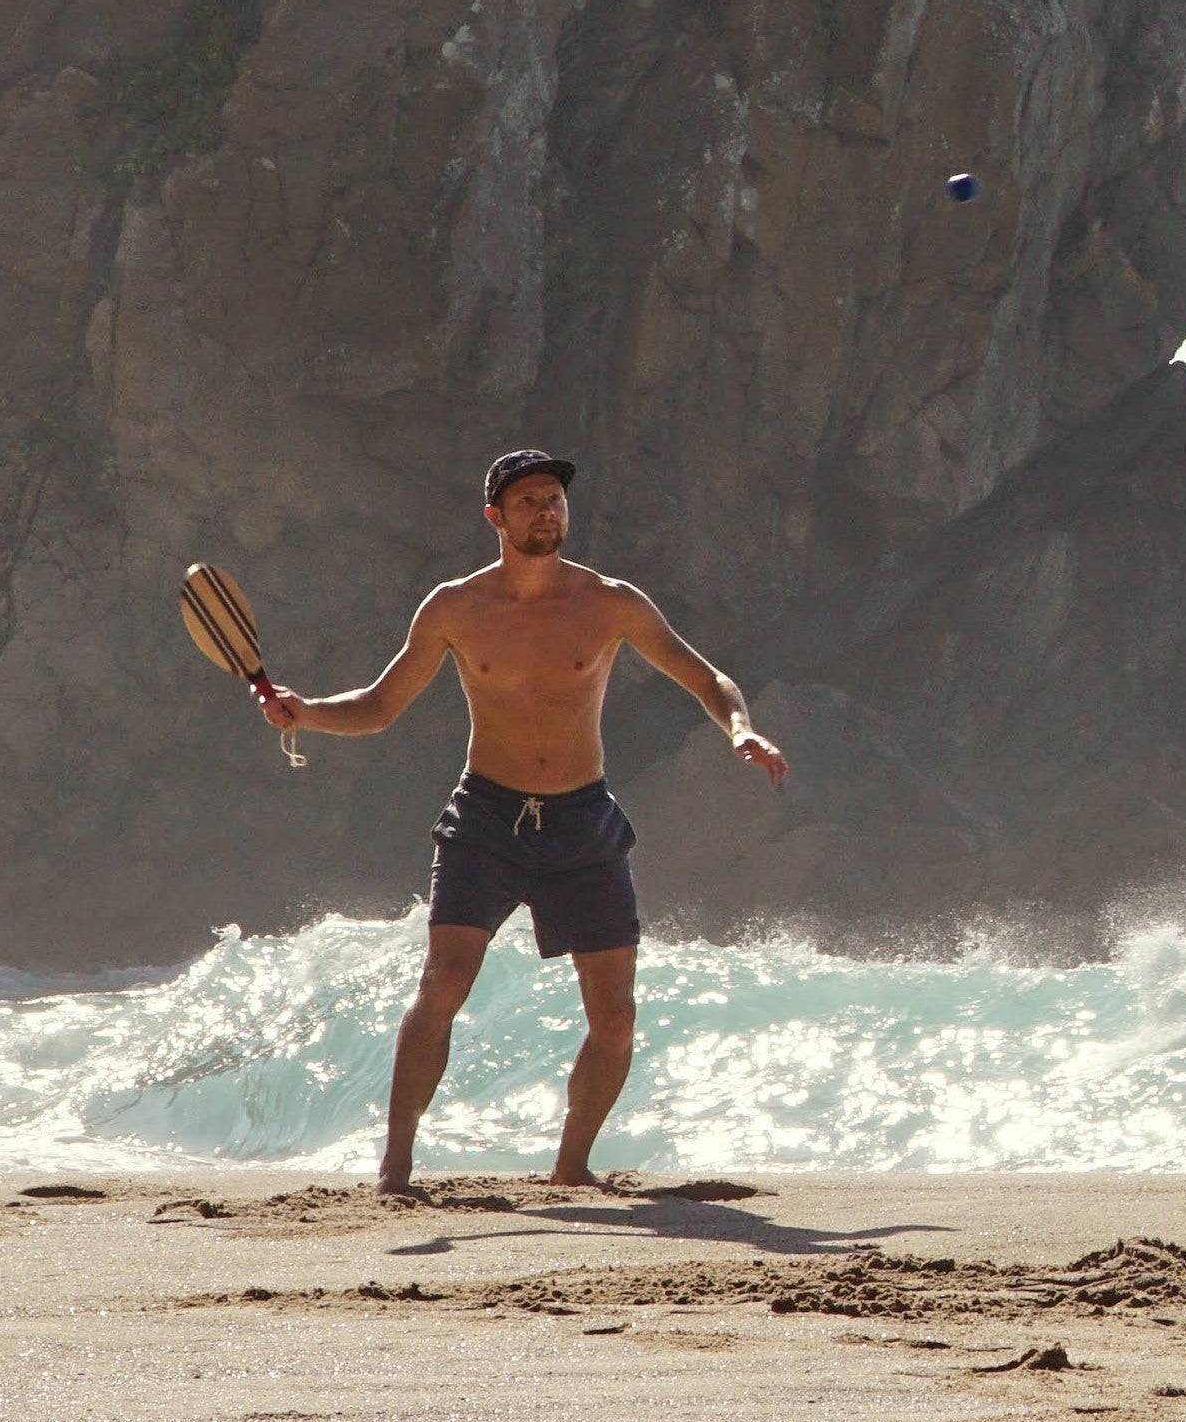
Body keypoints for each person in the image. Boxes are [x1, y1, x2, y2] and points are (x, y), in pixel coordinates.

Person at [258, 450, 789, 1191]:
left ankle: (571, 1167)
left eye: (555, 499)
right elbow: (379, 706)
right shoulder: (454, 607)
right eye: (530, 500)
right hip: (487, 817)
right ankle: (396, 1165)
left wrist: (739, 728)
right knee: (443, 984)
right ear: (495, 517)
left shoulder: (610, 602)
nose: (547, 510)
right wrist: (306, 711)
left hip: (583, 819)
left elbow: (708, 677)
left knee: (616, 1016)